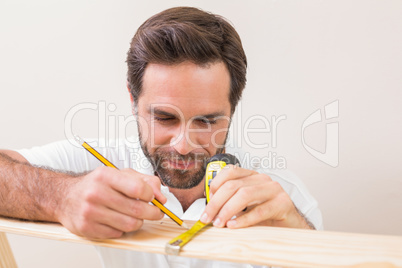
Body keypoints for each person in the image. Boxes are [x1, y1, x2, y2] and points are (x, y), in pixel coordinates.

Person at [0, 6, 322, 267]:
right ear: (132, 100)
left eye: (207, 121)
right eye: (164, 118)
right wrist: (60, 197)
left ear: (233, 109)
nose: (183, 145)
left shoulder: (283, 201)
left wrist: (301, 249)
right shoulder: (99, 166)